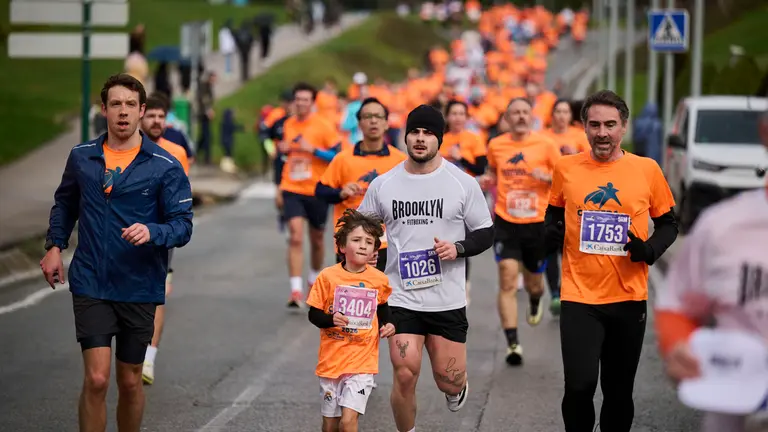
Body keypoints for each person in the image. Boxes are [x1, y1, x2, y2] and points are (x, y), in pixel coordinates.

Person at [40, 73, 193, 431]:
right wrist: (54, 246)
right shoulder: (82, 158)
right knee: (96, 379)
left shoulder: (165, 165)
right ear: (104, 110)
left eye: (129, 105)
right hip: (92, 280)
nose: (122, 112)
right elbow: (65, 204)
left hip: (139, 283)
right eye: (115, 105)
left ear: (142, 111)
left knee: (129, 380)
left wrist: (153, 231)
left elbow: (183, 225)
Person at [544, 90, 678, 432]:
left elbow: (669, 224)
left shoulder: (647, 169)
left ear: (624, 127)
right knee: (579, 386)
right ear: (584, 128)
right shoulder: (566, 167)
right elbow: (552, 213)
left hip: (628, 298)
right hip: (578, 296)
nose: (602, 132)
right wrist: (552, 232)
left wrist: (648, 250)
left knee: (618, 394)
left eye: (610, 125)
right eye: (594, 125)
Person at [358, 105, 495, 432]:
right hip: (400, 297)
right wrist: (360, 259)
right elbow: (362, 228)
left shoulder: (462, 183)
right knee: (404, 373)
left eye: (428, 133)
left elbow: (486, 232)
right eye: (415, 132)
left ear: (440, 139)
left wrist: (458, 248)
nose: (420, 139)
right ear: (405, 136)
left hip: (446, 299)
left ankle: (456, 387)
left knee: (448, 380)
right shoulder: (384, 185)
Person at [654, 108, 768, 432]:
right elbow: (677, 303)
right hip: (737, 414)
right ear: (765, 133)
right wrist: (678, 345)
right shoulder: (721, 226)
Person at [479, 97, 561, 366]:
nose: (521, 117)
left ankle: (537, 298)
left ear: (532, 116)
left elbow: (564, 177)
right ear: (507, 118)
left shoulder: (546, 145)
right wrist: (489, 178)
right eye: (515, 113)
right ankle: (513, 343)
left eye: (526, 112)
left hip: (537, 223)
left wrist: (547, 177)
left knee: (534, 283)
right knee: (508, 278)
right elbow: (491, 169)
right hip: (506, 220)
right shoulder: (496, 145)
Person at [306, 209, 396, 432]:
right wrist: (331, 319)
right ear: (342, 247)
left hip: (362, 362)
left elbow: (383, 306)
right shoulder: (327, 277)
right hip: (331, 362)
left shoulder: (378, 280)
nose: (363, 245)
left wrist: (388, 324)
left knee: (348, 421)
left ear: (375, 250)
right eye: (356, 240)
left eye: (369, 242)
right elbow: (313, 314)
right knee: (330, 424)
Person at [316, 97, 406, 272]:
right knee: (352, 296)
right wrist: (341, 192)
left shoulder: (401, 162)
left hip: (390, 245)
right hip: (350, 243)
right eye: (368, 116)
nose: (373, 121)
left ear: (387, 123)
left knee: (387, 298)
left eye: (378, 117)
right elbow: (320, 191)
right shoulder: (343, 159)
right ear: (359, 123)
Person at [137, 94, 191, 385]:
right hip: (128, 233)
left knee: (156, 296)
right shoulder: (129, 150)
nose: (156, 121)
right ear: (142, 116)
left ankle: (148, 359)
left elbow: (181, 197)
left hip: (161, 236)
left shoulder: (177, 152)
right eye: (152, 116)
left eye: (161, 117)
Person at [279, 82, 342, 308]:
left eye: (305, 100)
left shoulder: (323, 126)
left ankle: (313, 279)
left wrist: (312, 149)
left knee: (316, 239)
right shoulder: (288, 124)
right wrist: (282, 150)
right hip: (292, 187)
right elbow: (281, 154)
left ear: (312, 103)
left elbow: (337, 154)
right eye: (298, 100)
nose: (301, 103)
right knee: (295, 236)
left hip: (316, 189)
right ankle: (295, 290)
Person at [539, 99, 590, 316]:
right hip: (548, 202)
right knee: (550, 250)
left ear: (570, 116)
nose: (561, 115)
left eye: (565, 111)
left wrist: (575, 157)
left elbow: (592, 166)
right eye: (557, 111)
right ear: (552, 115)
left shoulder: (579, 137)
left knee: (570, 251)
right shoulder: (542, 137)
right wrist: (544, 176)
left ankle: (570, 291)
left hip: (575, 203)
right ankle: (554, 294)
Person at [441, 99, 488, 305]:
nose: (458, 117)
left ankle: (464, 285)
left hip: (465, 197)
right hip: (442, 196)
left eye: (462, 113)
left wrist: (461, 158)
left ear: (467, 117)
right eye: (454, 113)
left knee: (461, 240)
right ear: (447, 116)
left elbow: (480, 168)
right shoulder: (440, 139)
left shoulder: (474, 139)